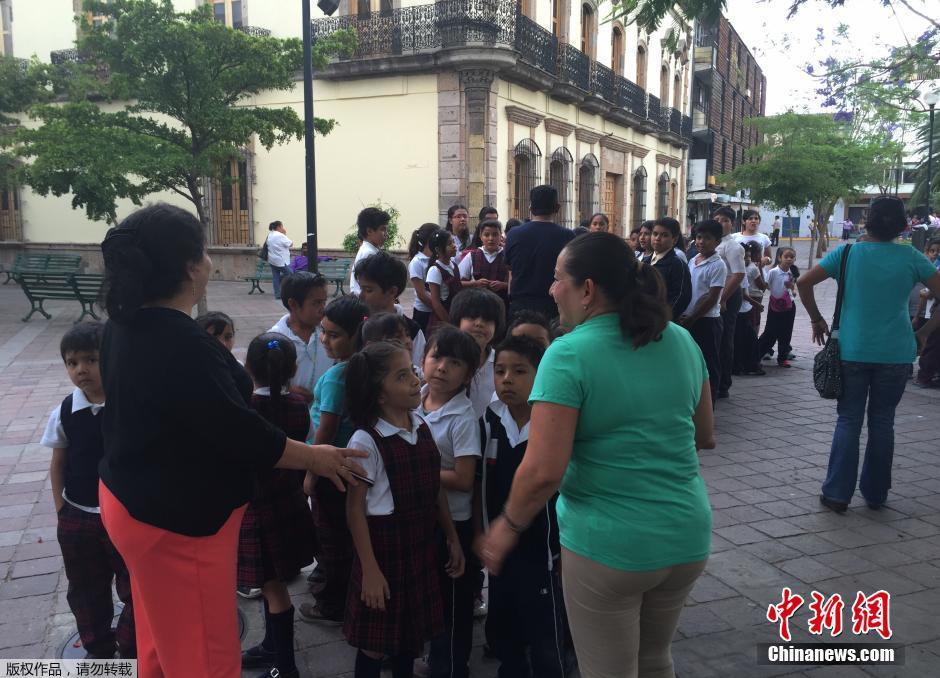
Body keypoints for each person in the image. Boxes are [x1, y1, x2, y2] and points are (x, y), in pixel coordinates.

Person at [95, 204, 366, 678]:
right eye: (204, 251)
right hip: (175, 522)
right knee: (205, 656)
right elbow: (240, 431)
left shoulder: (126, 324)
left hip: (133, 502)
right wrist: (316, 458)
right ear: (190, 266)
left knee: (162, 638)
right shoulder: (183, 344)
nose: (210, 263)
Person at [479, 231, 714, 678]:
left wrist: (506, 526)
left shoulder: (569, 353)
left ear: (586, 290)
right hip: (686, 535)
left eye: (556, 279)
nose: (551, 289)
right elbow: (705, 434)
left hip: (609, 546)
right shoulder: (681, 339)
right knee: (654, 660)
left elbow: (544, 469)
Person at [798, 196, 940, 513]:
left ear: (867, 222)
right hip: (897, 352)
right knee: (883, 422)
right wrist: (923, 334)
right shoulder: (913, 257)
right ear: (904, 225)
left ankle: (836, 493)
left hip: (851, 349)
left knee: (848, 420)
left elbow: (803, 282)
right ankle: (876, 494)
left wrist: (817, 319)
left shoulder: (847, 253)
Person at [343, 342, 465, 678]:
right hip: (384, 552)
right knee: (375, 643)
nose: (415, 380)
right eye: (402, 376)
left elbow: (434, 487)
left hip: (420, 546)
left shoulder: (420, 425)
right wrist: (369, 569)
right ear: (379, 395)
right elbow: (355, 511)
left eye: (411, 370)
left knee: (408, 638)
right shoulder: (365, 441)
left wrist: (452, 536)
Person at [41, 322, 135, 660]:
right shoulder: (65, 411)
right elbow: (58, 463)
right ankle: (98, 648)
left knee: (136, 587)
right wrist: (60, 510)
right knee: (85, 589)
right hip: (78, 517)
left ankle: (131, 647)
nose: (81, 369)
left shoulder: (129, 405)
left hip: (125, 517)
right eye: (72, 362)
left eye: (90, 360)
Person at [474, 336, 567, 678]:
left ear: (541, 375)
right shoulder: (490, 419)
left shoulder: (550, 423)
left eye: (519, 371)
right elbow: (481, 483)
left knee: (545, 628)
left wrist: (560, 551)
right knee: (504, 621)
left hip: (543, 551)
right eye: (500, 371)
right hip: (501, 548)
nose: (507, 379)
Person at [237, 334, 317, 678]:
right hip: (291, 505)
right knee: (276, 582)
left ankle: (285, 666)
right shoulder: (300, 408)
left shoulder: (243, 412)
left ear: (247, 367)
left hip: (257, 513)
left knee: (274, 589)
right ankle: (272, 647)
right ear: (294, 369)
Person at [300, 296, 370, 624]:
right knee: (345, 535)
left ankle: (332, 604)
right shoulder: (365, 366)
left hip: (330, 468)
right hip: (352, 467)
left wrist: (312, 471)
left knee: (332, 538)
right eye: (323, 332)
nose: (326, 341)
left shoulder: (337, 377)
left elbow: (325, 428)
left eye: (335, 335)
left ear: (358, 333)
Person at [418, 328, 483, 678]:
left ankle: (454, 666)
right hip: (423, 517)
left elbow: (463, 477)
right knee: (431, 595)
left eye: (454, 363)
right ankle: (434, 657)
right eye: (436, 357)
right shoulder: (416, 400)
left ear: (468, 374)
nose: (441, 367)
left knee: (453, 602)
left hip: (454, 523)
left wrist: (418, 469)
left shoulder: (462, 418)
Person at [504, 185, 576, 319]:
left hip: (520, 305)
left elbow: (510, 269)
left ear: (530, 208)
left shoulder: (514, 234)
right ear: (557, 208)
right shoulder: (568, 236)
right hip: (554, 306)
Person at [678, 219, 726, 403]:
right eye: (698, 237)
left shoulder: (718, 265)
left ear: (717, 242)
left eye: (707, 238)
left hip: (707, 320)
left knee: (709, 364)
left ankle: (709, 404)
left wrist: (692, 317)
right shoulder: (693, 260)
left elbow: (712, 298)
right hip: (689, 318)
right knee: (691, 362)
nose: (701, 242)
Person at [269, 272, 333, 404]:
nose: (323, 309)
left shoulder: (330, 333)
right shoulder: (275, 339)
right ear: (293, 304)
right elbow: (263, 380)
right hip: (291, 413)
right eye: (316, 303)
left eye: (324, 302)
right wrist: (288, 389)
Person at [355, 250, 427, 368]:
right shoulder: (356, 323)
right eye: (360, 288)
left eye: (368, 290)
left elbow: (419, 370)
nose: (361, 295)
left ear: (392, 291)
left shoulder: (412, 330)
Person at [449, 288, 505, 417]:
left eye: (487, 319)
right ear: (458, 320)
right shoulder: (444, 360)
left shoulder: (501, 363)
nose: (479, 323)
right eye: (472, 317)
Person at [713, 206, 745, 399]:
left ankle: (724, 383)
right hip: (715, 295)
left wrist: (723, 298)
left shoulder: (732, 245)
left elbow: (738, 274)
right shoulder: (712, 242)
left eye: (724, 220)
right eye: (716, 219)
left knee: (725, 339)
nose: (720, 223)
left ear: (732, 223)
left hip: (728, 295)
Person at [757, 247, 797, 368]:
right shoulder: (773, 272)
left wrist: (792, 288)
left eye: (792, 257)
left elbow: (793, 290)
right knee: (770, 332)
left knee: (786, 332)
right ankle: (757, 355)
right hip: (775, 306)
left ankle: (783, 358)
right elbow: (767, 286)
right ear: (779, 258)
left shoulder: (793, 272)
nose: (789, 259)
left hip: (789, 306)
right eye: (786, 257)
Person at [458, 219, 509, 310]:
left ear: (500, 236)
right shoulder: (472, 256)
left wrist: (503, 285)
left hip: (501, 306)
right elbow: (458, 283)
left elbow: (517, 282)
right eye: (486, 235)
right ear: (481, 237)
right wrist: (474, 283)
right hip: (476, 305)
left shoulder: (507, 256)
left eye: (495, 234)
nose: (491, 238)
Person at [732, 247, 765, 377]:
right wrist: (756, 303)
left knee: (749, 338)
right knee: (742, 339)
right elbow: (741, 293)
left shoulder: (744, 271)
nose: (747, 259)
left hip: (745, 309)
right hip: (740, 310)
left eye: (748, 256)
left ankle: (747, 365)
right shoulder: (738, 271)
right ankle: (742, 366)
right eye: (744, 257)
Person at [650, 217, 692, 320]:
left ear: (674, 239)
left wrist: (664, 318)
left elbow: (680, 297)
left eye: (664, 235)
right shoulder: (645, 261)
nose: (657, 238)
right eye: (655, 234)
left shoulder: (677, 264)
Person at [426, 229, 462, 332]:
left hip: (455, 313)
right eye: (449, 244)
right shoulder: (435, 270)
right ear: (438, 249)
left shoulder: (454, 265)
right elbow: (436, 303)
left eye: (454, 242)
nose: (454, 246)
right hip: (443, 319)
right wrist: (449, 323)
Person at [408, 223, 442, 333]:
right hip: (424, 312)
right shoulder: (417, 262)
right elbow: (422, 294)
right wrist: (439, 308)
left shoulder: (439, 258)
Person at [349, 207, 390, 297]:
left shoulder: (371, 250)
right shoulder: (369, 254)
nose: (386, 234)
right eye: (383, 229)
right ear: (369, 231)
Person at [265, 220, 293, 299]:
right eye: (282, 226)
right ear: (279, 227)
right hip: (280, 260)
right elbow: (290, 244)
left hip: (272, 260)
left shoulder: (270, 234)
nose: (283, 228)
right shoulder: (280, 235)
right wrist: (284, 234)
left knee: (275, 277)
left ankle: (277, 294)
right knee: (290, 274)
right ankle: (287, 292)